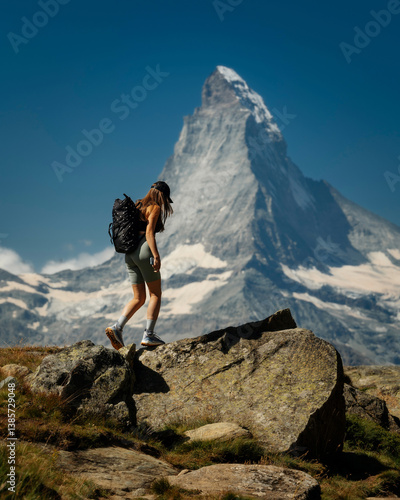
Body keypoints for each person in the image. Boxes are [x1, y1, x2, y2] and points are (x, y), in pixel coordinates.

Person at [105, 181, 173, 350]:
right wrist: (156, 255)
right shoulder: (154, 207)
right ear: (161, 195)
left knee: (138, 298)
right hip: (143, 251)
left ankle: (117, 327)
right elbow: (149, 233)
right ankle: (149, 334)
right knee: (155, 294)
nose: (165, 203)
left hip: (129, 255)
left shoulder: (137, 205)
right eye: (165, 199)